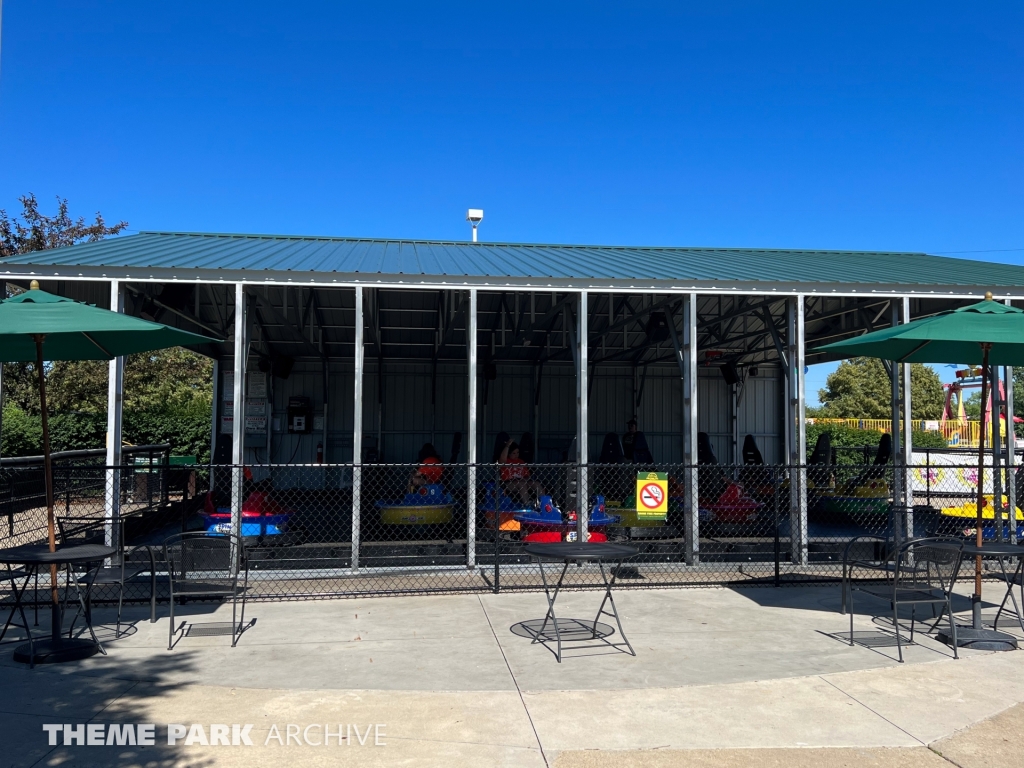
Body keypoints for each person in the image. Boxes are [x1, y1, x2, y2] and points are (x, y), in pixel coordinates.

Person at [499, 437, 546, 507]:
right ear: (509, 454)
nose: (516, 455)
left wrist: (524, 479)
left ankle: (543, 503)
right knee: (521, 484)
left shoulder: (521, 461)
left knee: (536, 484)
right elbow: (502, 459)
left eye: (517, 452)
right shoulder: (506, 462)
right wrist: (507, 446)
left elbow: (527, 475)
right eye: (513, 453)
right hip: (509, 483)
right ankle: (527, 504)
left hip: (523, 481)